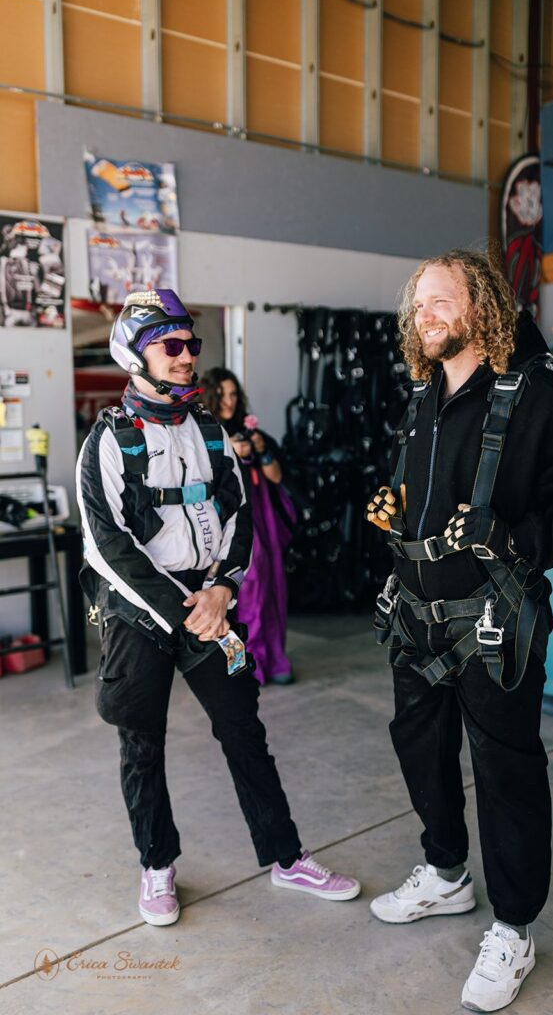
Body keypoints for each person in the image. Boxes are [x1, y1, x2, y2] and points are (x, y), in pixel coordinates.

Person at [365, 251, 553, 1012]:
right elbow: (429, 490)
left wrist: (518, 538)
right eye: (418, 305)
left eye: (441, 300)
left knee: (506, 772)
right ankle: (445, 873)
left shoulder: (539, 395)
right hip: (415, 615)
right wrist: (396, 501)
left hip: (493, 620)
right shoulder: (423, 393)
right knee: (418, 746)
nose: (426, 315)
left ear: (481, 303)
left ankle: (513, 926)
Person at [77, 289, 360, 927]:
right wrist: (187, 610)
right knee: (141, 742)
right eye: (170, 346)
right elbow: (107, 545)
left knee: (244, 730)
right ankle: (157, 866)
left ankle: (285, 857)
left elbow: (239, 514)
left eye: (191, 345)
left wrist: (224, 590)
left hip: (210, 600)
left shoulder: (211, 431)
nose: (186, 357)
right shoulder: (106, 442)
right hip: (139, 611)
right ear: (136, 354)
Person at [199, 367, 296, 686]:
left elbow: (277, 477)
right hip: (223, 526)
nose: (228, 401)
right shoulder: (203, 434)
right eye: (221, 395)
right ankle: (240, 664)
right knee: (235, 597)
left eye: (233, 394)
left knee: (269, 589)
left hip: (260, 523)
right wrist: (230, 453)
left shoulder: (251, 432)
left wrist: (260, 451)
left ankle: (273, 659)